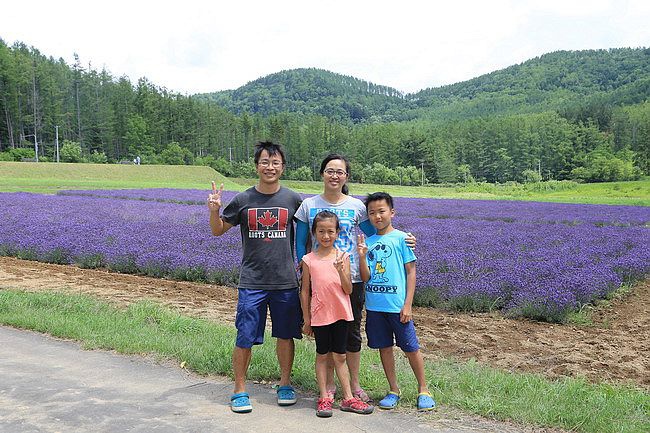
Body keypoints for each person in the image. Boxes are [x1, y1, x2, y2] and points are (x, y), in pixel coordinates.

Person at [295, 154, 415, 403]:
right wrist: (303, 267)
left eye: (339, 172)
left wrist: (404, 238)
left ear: (346, 176)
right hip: (320, 279)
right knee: (325, 334)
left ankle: (354, 384)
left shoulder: (356, 206)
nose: (334, 176)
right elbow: (300, 241)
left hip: (352, 280)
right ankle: (328, 386)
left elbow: (377, 235)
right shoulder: (308, 205)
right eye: (330, 171)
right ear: (322, 174)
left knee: (351, 333)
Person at [208, 141, 303, 413]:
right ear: (257, 166)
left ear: (283, 167)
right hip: (252, 281)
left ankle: (285, 384)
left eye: (275, 163)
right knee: (245, 335)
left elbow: (317, 231)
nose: (269, 167)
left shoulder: (293, 200)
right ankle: (239, 389)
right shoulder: (243, 200)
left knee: (285, 336)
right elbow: (217, 230)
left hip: (285, 281)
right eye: (264, 162)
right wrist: (214, 210)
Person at [357, 192, 435, 412]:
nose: (377, 216)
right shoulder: (368, 242)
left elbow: (411, 273)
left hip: (397, 307)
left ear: (392, 212)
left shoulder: (402, 238)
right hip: (375, 307)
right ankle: (393, 389)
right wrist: (362, 257)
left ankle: (423, 389)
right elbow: (365, 277)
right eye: (372, 213)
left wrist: (408, 304)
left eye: (381, 211)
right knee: (384, 348)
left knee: (411, 347)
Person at [300, 210, 374, 417]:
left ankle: (348, 397)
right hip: (320, 316)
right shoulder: (308, 260)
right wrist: (307, 319)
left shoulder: (343, 256)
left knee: (340, 355)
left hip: (341, 314)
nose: (325, 236)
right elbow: (305, 291)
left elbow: (349, 290)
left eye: (330, 231)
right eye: (321, 231)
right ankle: (324, 397)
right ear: (314, 232)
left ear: (338, 232)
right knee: (322, 355)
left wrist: (341, 270)